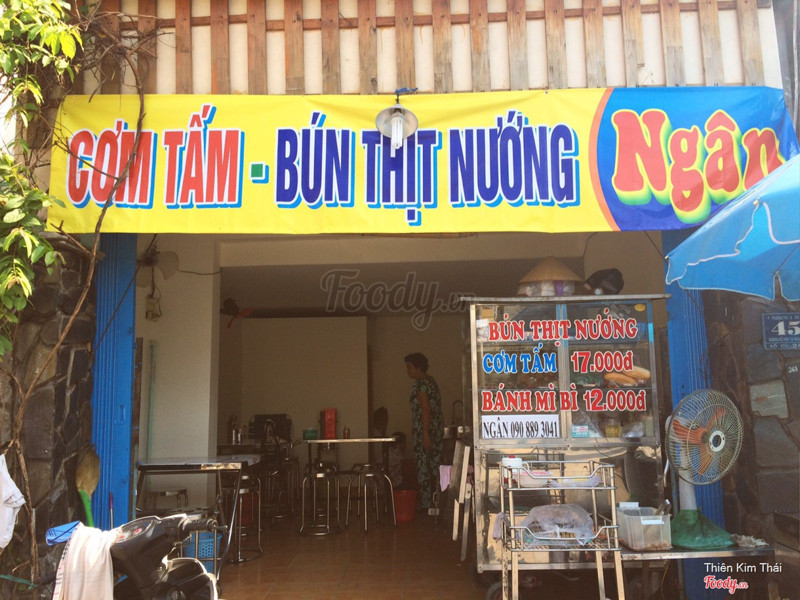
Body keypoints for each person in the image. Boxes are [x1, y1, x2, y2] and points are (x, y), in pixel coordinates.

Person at [404, 352, 444, 510]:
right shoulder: (430, 381)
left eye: (409, 367)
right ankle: (438, 500)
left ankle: (427, 502)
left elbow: (425, 408)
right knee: (435, 465)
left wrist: (425, 433)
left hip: (426, 430)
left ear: (418, 368)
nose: (407, 371)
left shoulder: (421, 385)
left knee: (424, 466)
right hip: (435, 429)